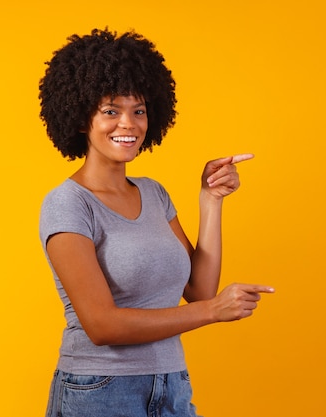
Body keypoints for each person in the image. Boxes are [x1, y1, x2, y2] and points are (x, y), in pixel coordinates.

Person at [38, 28, 274, 417]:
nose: (128, 124)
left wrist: (211, 200)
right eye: (111, 111)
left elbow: (198, 290)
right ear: (82, 119)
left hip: (171, 384)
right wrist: (214, 311)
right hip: (98, 392)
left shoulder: (153, 193)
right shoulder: (67, 204)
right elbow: (102, 325)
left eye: (139, 110)